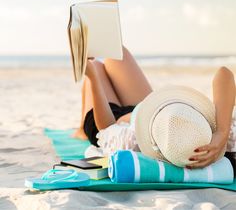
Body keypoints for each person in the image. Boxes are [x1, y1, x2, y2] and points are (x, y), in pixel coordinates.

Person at [74, 47, 236, 169]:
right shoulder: (194, 126)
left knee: (95, 66)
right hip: (151, 109)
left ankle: (82, 127)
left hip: (111, 117)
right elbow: (224, 74)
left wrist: (93, 77)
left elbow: (106, 129)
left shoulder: (133, 143)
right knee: (116, 53)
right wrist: (221, 132)